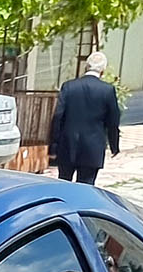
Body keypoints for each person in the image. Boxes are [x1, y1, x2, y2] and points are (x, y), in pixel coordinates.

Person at [48, 50, 120, 185]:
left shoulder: (69, 86)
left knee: (63, 184)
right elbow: (113, 121)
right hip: (92, 147)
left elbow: (58, 116)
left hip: (68, 145)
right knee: (86, 186)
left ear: (86, 67)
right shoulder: (107, 90)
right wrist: (114, 145)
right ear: (103, 70)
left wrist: (53, 145)